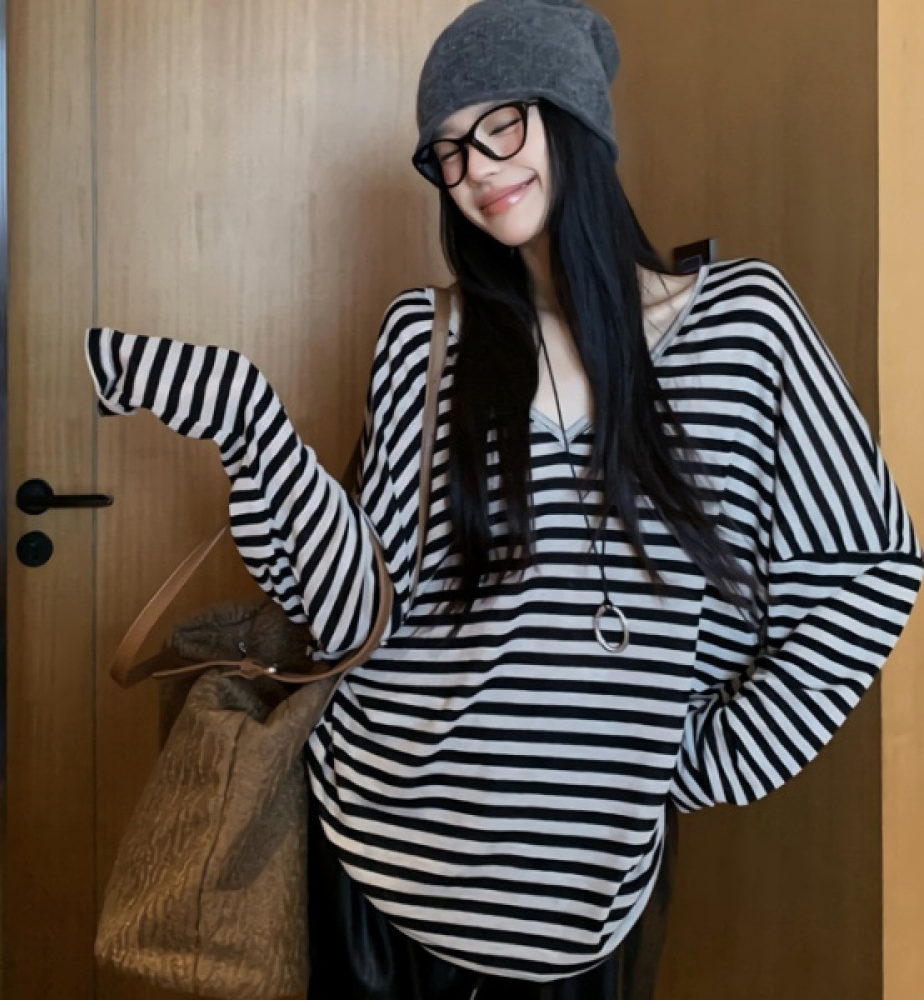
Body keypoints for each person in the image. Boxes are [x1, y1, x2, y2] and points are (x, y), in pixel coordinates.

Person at [85, 1, 923, 997]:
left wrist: (699, 761)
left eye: (501, 124)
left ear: (575, 118)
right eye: (445, 149)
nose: (476, 168)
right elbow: (358, 614)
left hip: (583, 907)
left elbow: (871, 568)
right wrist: (248, 419)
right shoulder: (425, 336)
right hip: (373, 866)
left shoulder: (744, 327)